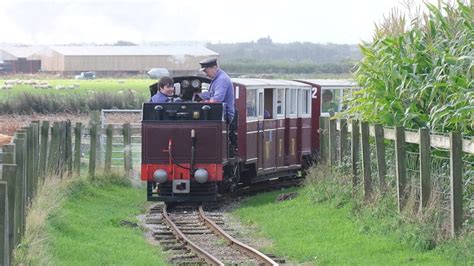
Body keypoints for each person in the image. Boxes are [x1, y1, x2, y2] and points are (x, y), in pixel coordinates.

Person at [199, 58, 235, 123]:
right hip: (219, 113)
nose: (206, 74)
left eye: (206, 71)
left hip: (224, 115)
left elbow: (217, 100)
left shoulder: (221, 80)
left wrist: (205, 102)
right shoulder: (217, 79)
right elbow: (211, 94)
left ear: (214, 67)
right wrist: (199, 95)